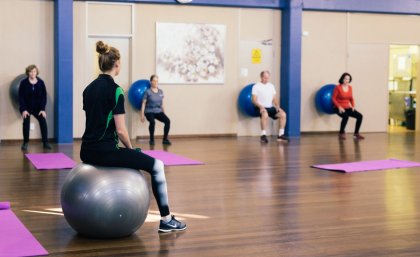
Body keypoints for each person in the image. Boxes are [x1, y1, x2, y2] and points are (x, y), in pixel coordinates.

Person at [80, 41, 186, 233]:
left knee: (140, 160)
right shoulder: (116, 90)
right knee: (157, 166)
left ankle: (167, 219)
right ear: (117, 64)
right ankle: (166, 219)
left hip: (86, 151)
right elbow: (121, 131)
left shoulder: (88, 89)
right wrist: (129, 149)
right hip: (105, 151)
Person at [19, 65, 51, 151]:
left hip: (38, 108)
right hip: (27, 108)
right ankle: (25, 143)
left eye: (34, 71)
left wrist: (42, 109)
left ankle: (45, 142)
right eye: (30, 72)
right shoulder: (23, 83)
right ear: (28, 73)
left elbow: (44, 97)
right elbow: (21, 97)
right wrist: (23, 109)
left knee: (43, 121)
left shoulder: (41, 83)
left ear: (36, 72)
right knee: (26, 122)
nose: (32, 73)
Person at [251, 70, 288, 143]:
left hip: (270, 107)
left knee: (283, 114)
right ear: (261, 77)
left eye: (267, 78)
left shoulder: (271, 86)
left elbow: (274, 98)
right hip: (260, 107)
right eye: (265, 78)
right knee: (265, 114)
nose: (266, 79)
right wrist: (261, 107)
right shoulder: (256, 86)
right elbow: (254, 100)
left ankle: (280, 135)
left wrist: (277, 106)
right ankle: (263, 136)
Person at [332, 72, 364, 140]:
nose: (347, 80)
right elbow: (333, 99)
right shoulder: (338, 87)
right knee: (345, 117)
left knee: (360, 116)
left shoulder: (350, 87)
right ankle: (341, 133)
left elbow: (351, 98)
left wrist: (353, 106)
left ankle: (356, 134)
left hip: (347, 107)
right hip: (338, 107)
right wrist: (339, 107)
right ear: (342, 79)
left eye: (348, 79)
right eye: (346, 79)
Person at [141, 75, 171, 146]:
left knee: (167, 121)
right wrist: (142, 115)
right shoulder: (147, 92)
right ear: (151, 81)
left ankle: (165, 139)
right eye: (154, 81)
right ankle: (151, 139)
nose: (155, 82)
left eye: (157, 81)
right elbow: (143, 104)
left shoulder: (160, 91)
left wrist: (164, 113)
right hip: (149, 111)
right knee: (152, 122)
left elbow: (162, 104)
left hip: (158, 111)